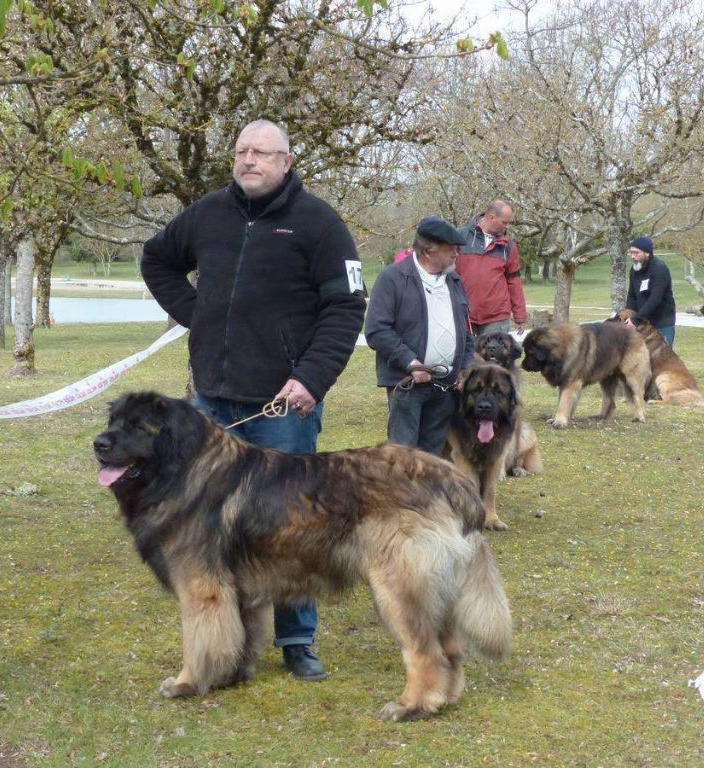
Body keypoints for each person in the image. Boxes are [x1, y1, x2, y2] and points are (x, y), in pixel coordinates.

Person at [140, 118, 366, 683]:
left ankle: (297, 641)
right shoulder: (208, 213)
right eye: (241, 151)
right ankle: (224, 647)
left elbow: (346, 308)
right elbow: (156, 259)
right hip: (211, 405)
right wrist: (201, 316)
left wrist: (311, 379)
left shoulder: (319, 224)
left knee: (292, 528)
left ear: (287, 161)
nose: (248, 160)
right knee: (207, 529)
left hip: (282, 410)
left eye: (261, 153)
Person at [365, 216, 475, 455]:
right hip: (407, 384)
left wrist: (465, 368)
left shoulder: (454, 281)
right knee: (403, 455)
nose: (457, 254)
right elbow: (377, 330)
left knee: (432, 455)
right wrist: (411, 363)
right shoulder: (392, 279)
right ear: (427, 250)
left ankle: (425, 494)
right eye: (451, 249)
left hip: (446, 386)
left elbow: (466, 332)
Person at [455, 200, 528, 336]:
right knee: (466, 357)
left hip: (496, 317)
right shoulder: (460, 238)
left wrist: (520, 315)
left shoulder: (509, 247)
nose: (508, 227)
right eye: (504, 222)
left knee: (494, 358)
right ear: (491, 217)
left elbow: (514, 282)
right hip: (464, 315)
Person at [624, 236, 676, 347]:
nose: (633, 256)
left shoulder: (659, 268)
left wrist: (635, 319)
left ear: (647, 253)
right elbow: (632, 296)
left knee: (661, 360)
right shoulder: (634, 270)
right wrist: (629, 316)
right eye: (631, 253)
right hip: (642, 322)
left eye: (636, 253)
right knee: (643, 359)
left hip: (662, 323)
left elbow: (655, 299)